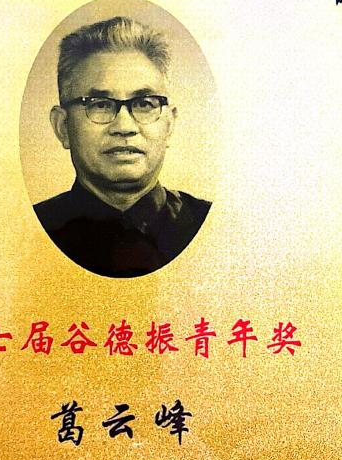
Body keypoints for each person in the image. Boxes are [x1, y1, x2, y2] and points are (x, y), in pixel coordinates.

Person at [34, 16, 211, 278]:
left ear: (169, 125)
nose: (125, 126)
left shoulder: (213, 228)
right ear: (62, 126)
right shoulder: (29, 233)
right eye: (100, 104)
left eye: (144, 104)